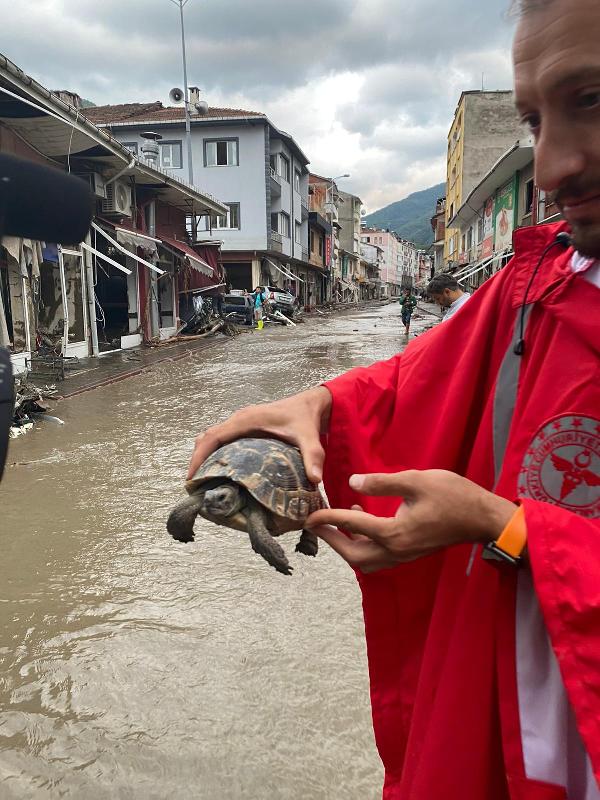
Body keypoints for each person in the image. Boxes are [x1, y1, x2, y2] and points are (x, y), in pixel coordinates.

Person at [185, 1, 600, 797]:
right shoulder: (531, 288)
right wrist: (319, 404)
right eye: (532, 119)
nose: (549, 170)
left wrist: (503, 528)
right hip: (498, 726)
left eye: (590, 100)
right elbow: (410, 383)